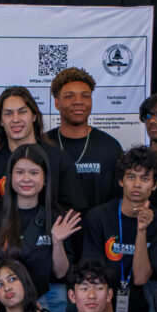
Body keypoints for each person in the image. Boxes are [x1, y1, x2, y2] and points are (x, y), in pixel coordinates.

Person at [0, 145, 80, 312]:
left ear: (45, 177)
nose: (26, 179)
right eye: (20, 172)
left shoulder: (57, 215)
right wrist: (16, 300)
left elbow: (60, 273)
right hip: (6, 303)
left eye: (34, 172)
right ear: (10, 177)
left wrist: (58, 242)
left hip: (46, 301)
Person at [75, 146, 157, 312]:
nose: (136, 184)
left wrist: (142, 231)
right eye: (131, 177)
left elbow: (141, 277)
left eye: (145, 178)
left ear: (154, 184)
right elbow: (94, 274)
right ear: (121, 181)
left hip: (143, 309)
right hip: (102, 309)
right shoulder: (98, 217)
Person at [0, 87, 80, 225]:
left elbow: (74, 213)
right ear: (0, 121)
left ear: (34, 116)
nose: (15, 119)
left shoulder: (60, 160)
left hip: (51, 242)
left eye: (22, 112)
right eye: (8, 114)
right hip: (6, 243)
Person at [49, 67, 125, 211]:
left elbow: (119, 198)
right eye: (69, 96)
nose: (78, 101)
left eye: (85, 96)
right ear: (57, 103)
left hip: (99, 232)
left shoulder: (110, 147)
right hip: (54, 231)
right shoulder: (43, 144)